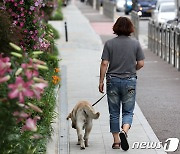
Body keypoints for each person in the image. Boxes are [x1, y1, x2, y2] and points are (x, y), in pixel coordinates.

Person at [99, 17, 145, 150]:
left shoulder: (109, 44)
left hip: (112, 80)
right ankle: (124, 131)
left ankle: (116, 142)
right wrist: (132, 69)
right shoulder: (135, 44)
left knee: (113, 112)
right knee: (128, 111)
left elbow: (104, 63)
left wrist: (101, 81)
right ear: (130, 28)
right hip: (129, 81)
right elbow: (141, 63)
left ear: (116, 28)